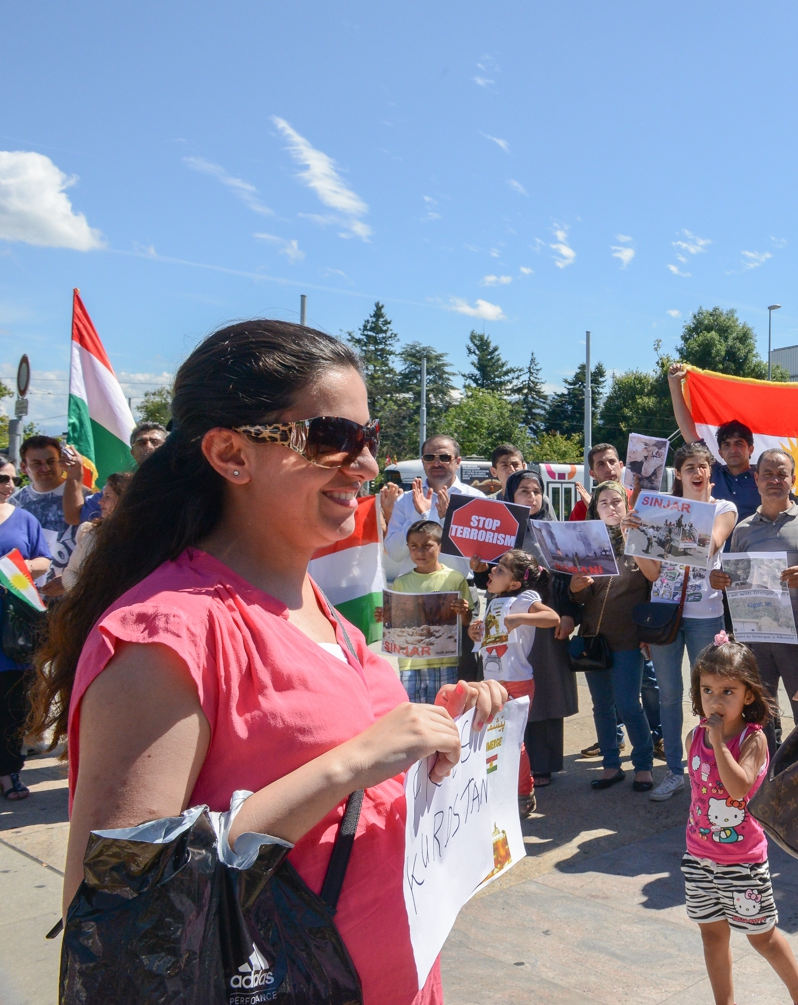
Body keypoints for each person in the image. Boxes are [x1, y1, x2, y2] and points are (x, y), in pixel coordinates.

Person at [27, 319, 510, 1004]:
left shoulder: (327, 614)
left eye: (368, 439)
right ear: (231, 453)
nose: (367, 466)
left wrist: (442, 738)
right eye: (334, 438)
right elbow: (119, 909)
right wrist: (352, 764)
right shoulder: (167, 633)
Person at [683, 637, 798, 1005]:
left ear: (748, 695)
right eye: (707, 690)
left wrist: (719, 744)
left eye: (727, 691)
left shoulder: (753, 740)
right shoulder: (694, 737)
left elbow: (738, 788)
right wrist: (709, 740)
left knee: (761, 935)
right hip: (699, 857)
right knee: (712, 936)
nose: (716, 701)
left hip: (742, 862)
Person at [630, 442, 738, 802]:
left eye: (703, 466)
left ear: (710, 472)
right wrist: (639, 539)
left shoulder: (723, 508)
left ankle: (711, 767)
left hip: (705, 617)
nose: (697, 472)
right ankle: (676, 771)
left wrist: (659, 531)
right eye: (689, 466)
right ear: (678, 474)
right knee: (670, 696)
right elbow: (653, 572)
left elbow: (711, 544)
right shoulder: (660, 510)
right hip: (664, 615)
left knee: (712, 696)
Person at [709, 449, 798, 747]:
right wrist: (721, 581)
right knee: (758, 719)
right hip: (755, 643)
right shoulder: (742, 530)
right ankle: (763, 781)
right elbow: (734, 579)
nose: (774, 480)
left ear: (793, 479)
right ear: (756, 479)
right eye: (767, 474)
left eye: (781, 474)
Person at [572, 480, 656, 791]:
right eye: (604, 502)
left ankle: (644, 765)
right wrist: (575, 588)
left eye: (616, 501)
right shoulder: (586, 545)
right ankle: (610, 765)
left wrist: (648, 634)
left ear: (627, 506)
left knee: (629, 704)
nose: (611, 506)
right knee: (602, 705)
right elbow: (577, 600)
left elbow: (653, 588)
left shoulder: (641, 542)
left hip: (628, 640)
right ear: (595, 509)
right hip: (594, 639)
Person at [501, 467, 580, 787]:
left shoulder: (554, 531)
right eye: (524, 491)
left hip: (547, 620)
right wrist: (480, 569)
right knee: (512, 689)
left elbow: (568, 578)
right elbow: (487, 579)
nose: (531, 497)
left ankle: (544, 765)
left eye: (536, 490)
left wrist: (570, 614)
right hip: (510, 623)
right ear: (511, 496)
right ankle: (513, 762)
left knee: (545, 692)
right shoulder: (502, 530)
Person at [469, 549, 558, 815]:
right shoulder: (495, 601)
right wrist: (475, 631)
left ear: (516, 583)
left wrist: (521, 618)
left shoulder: (523, 600)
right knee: (493, 739)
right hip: (491, 682)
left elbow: (551, 618)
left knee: (513, 742)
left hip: (516, 683)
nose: (492, 572)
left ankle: (524, 793)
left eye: (500, 570)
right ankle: (500, 790)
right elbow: (487, 641)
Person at [0, 457, 50, 802]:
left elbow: (44, 561)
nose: (7, 484)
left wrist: (18, 567)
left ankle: (9, 773)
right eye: (1, 477)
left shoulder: (24, 518)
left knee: (13, 705)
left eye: (11, 478)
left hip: (13, 629)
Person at [391, 521, 477, 703]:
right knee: (414, 713)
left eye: (427, 546)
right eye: (414, 546)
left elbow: (466, 621)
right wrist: (385, 617)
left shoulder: (455, 579)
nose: (420, 552)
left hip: (445, 661)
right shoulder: (400, 583)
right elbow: (396, 624)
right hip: (410, 662)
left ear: (440, 546)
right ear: (408, 547)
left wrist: (462, 611)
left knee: (443, 711)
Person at [379, 434, 484, 579]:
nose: (436, 463)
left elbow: (479, 555)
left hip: (459, 590)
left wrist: (448, 520)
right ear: (423, 462)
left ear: (458, 461)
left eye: (444, 457)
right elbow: (394, 554)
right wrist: (418, 517)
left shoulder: (476, 499)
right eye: (429, 457)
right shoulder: (405, 500)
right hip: (413, 589)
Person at [671, 365, 764, 522]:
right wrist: (674, 385)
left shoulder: (764, 478)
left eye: (739, 443)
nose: (733, 449)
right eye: (726, 445)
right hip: (712, 546)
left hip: (752, 547)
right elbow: (688, 432)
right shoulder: (710, 472)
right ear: (719, 452)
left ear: (751, 449)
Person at [10, 435, 83, 593]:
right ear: (24, 468)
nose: (46, 468)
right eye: (37, 464)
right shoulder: (14, 503)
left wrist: (69, 580)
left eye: (51, 461)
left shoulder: (83, 496)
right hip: (25, 596)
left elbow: (96, 547)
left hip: (72, 597)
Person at [69, 422, 168, 525]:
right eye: (141, 443)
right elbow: (76, 516)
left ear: (168, 447)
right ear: (133, 453)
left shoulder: (183, 480)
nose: (149, 447)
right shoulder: (122, 486)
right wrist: (74, 476)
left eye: (155, 442)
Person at [64, 472, 131, 590]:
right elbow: (70, 572)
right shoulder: (88, 531)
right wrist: (83, 593)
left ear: (124, 500)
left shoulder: (138, 539)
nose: (100, 501)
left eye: (107, 496)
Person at [568, 443, 624, 521]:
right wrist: (592, 511)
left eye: (612, 462)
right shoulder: (582, 507)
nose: (609, 468)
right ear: (592, 474)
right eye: (601, 464)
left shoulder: (636, 500)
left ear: (621, 466)